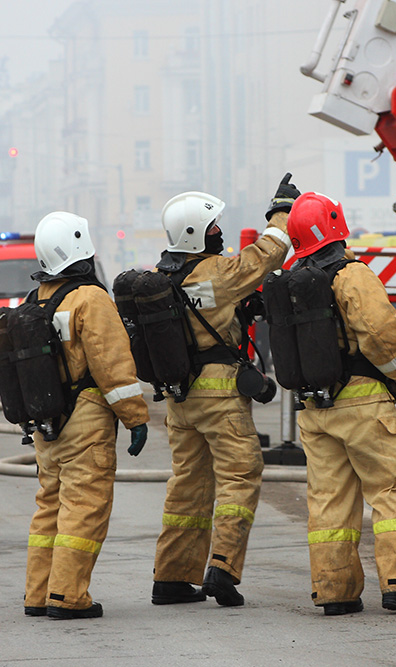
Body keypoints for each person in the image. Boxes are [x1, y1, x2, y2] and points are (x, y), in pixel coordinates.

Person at [150, 177, 296, 607]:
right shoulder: (215, 272)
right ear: (196, 233)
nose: (219, 232)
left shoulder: (163, 278)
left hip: (180, 399)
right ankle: (222, 568)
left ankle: (173, 578)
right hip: (219, 396)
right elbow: (267, 255)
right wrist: (281, 212)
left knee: (188, 485)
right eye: (213, 227)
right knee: (239, 476)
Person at [285, 192, 396, 616]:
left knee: (329, 501)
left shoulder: (293, 283)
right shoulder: (351, 275)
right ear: (337, 226)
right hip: (365, 405)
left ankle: (334, 591)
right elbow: (382, 332)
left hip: (315, 410)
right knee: (392, 491)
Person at [24, 211, 149, 620]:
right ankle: (68, 596)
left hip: (47, 422)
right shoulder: (90, 299)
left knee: (49, 508)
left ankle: (38, 594)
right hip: (86, 421)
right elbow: (111, 364)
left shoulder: (35, 300)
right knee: (84, 506)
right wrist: (135, 417)